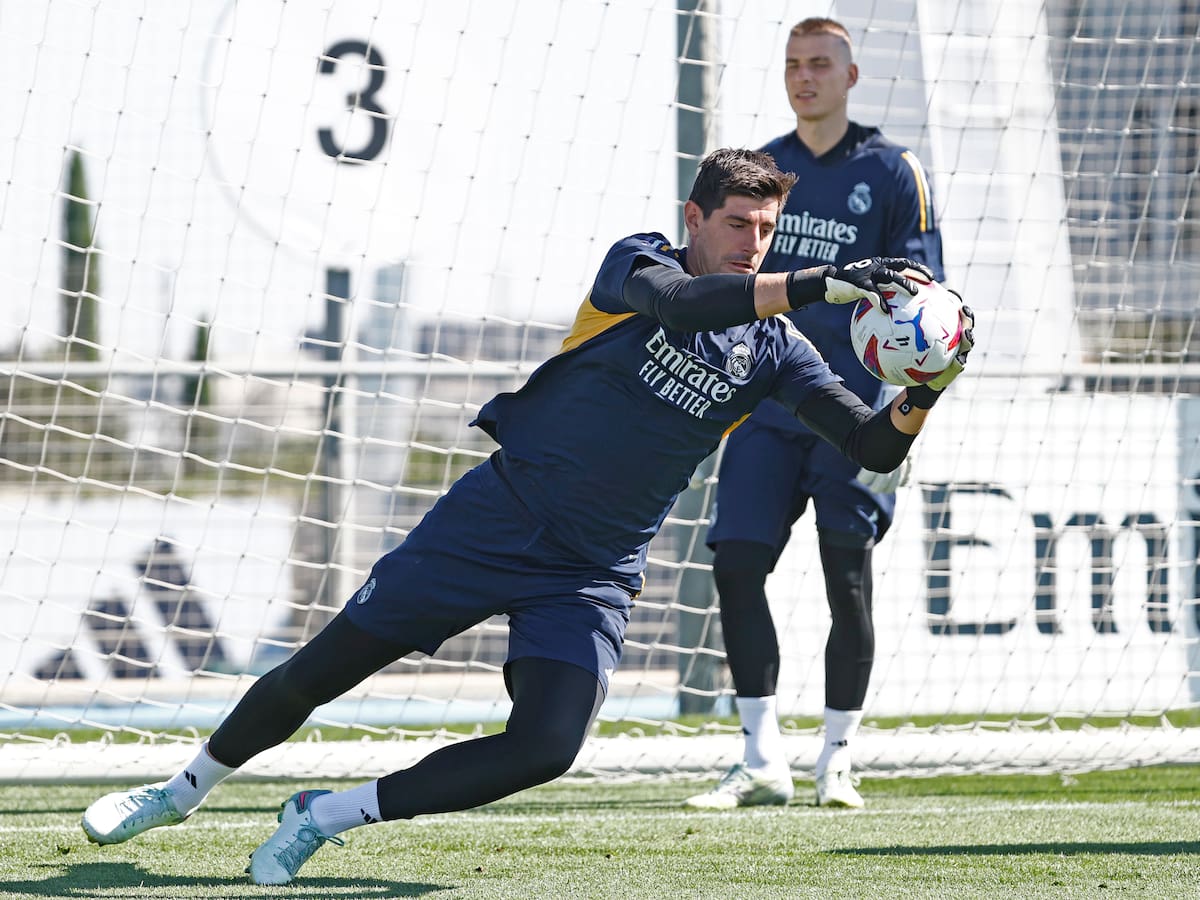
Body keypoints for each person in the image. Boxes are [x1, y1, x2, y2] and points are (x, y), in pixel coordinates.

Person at [80, 148, 972, 886]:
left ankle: (329, 815)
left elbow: (870, 447)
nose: (753, 242)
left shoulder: (776, 347)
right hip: (494, 521)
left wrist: (926, 388)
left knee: (548, 745)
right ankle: (182, 790)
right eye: (738, 224)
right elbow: (683, 306)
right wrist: (818, 279)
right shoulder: (638, 263)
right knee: (328, 667)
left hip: (592, 571)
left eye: (767, 228)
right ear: (695, 218)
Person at [684, 18, 947, 813]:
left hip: (855, 411)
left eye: (820, 64)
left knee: (847, 579)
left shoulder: (893, 169)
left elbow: (923, 294)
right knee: (735, 565)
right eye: (794, 65)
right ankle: (760, 758)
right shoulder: (765, 173)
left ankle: (837, 758)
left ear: (851, 74)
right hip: (766, 405)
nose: (805, 77)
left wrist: (908, 381)